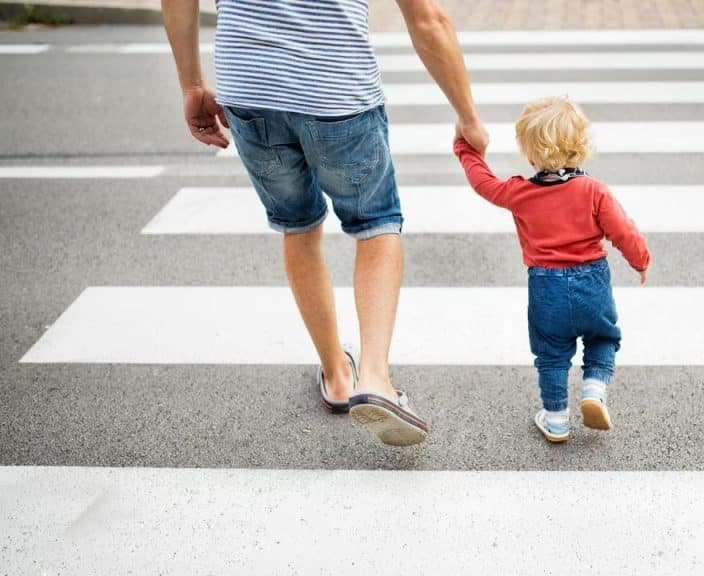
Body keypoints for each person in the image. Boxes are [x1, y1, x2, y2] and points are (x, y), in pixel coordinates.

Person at [161, 0, 489, 447]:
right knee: (375, 224)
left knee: (297, 226)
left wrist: (192, 84)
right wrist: (468, 117)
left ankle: (337, 376)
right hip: (336, 88)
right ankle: (374, 375)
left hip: (250, 90)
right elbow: (427, 19)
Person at [453, 96, 650, 443]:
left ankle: (556, 417)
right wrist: (640, 260)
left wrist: (465, 148)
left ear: (530, 155)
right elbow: (623, 230)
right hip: (592, 279)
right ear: (581, 147)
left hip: (546, 286)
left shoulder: (521, 192)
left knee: (552, 353)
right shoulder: (594, 191)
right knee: (603, 336)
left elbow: (484, 183)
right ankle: (593, 389)